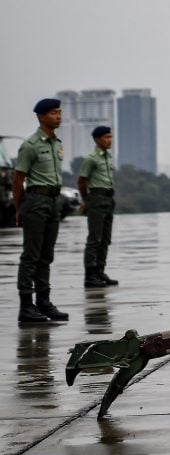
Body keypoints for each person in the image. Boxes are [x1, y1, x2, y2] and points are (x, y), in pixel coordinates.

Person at [13, 98, 70, 323]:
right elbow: (18, 181)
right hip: (35, 201)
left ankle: (43, 302)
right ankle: (26, 306)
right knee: (31, 255)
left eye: (59, 112)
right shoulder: (30, 145)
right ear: (41, 116)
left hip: (53, 202)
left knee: (46, 256)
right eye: (54, 112)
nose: (59, 116)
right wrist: (20, 209)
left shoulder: (57, 144)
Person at [78, 125, 119, 288]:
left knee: (105, 239)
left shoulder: (108, 157)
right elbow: (82, 181)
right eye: (106, 137)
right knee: (94, 239)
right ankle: (90, 275)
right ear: (97, 139)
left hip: (108, 199)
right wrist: (86, 200)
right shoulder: (91, 158)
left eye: (110, 137)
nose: (109, 140)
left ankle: (100, 271)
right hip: (96, 198)